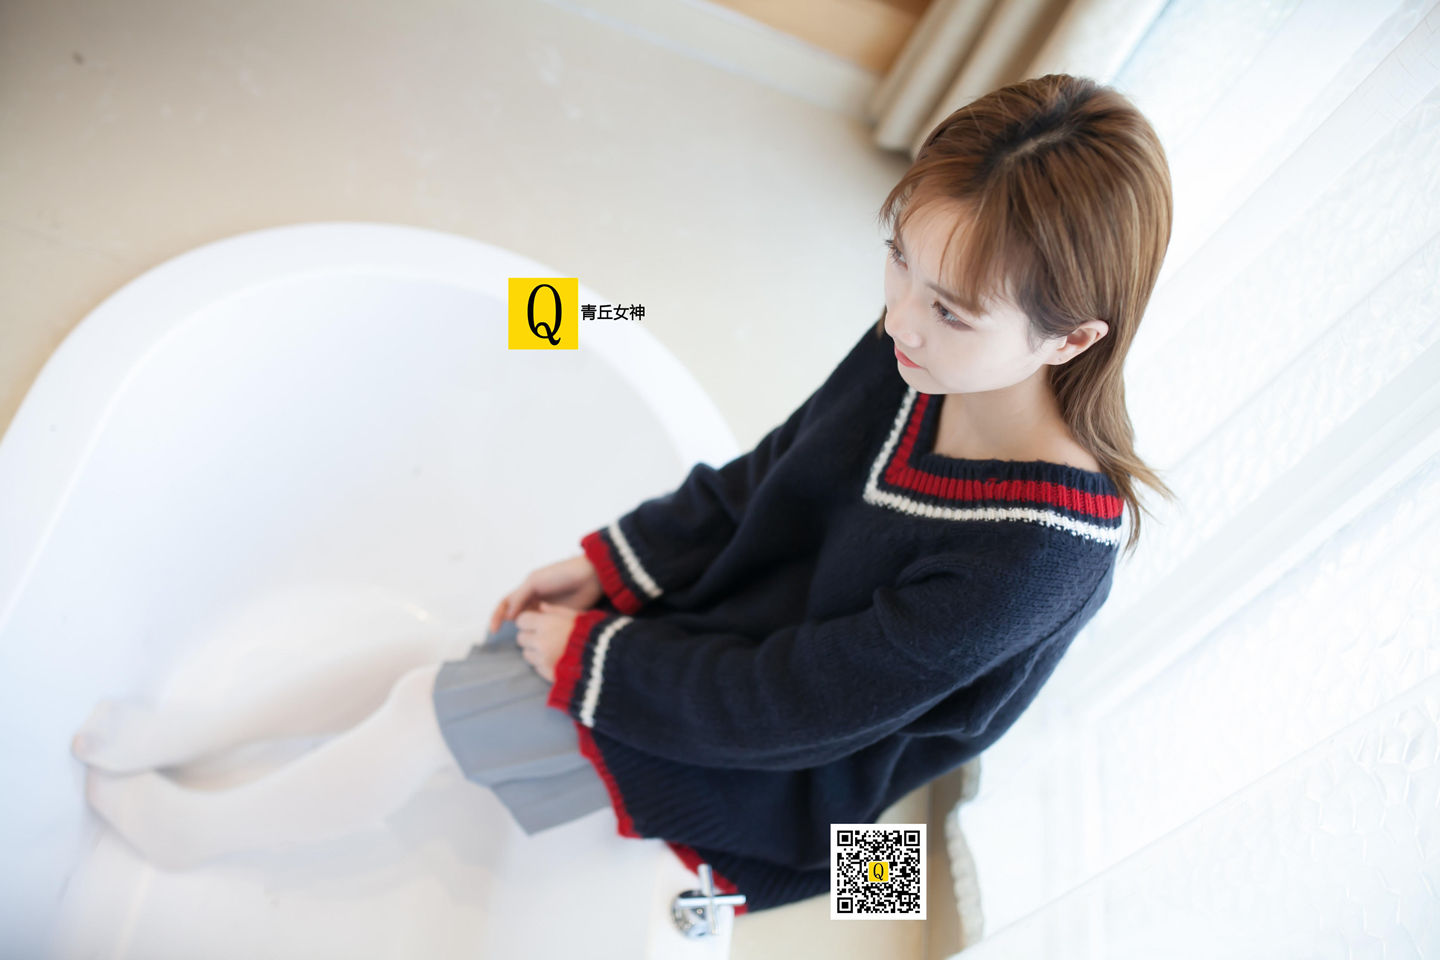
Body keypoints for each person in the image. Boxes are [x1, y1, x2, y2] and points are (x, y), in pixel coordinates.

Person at [70, 73, 1177, 914]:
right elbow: (776, 470)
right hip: (736, 634)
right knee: (456, 659)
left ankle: (188, 837)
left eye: (950, 308)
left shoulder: (1034, 555)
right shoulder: (926, 344)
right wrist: (611, 563)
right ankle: (195, 730)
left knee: (430, 710)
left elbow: (793, 709)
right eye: (898, 259)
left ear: (1071, 340)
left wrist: (598, 659)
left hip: (787, 763)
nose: (900, 317)